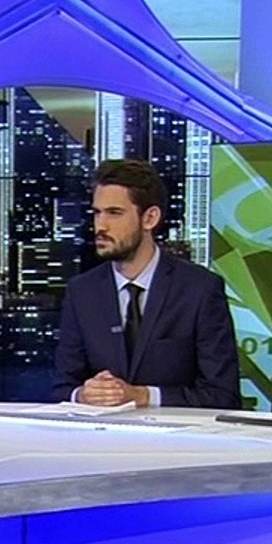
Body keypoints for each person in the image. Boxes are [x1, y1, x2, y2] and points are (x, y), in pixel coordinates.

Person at [51, 159, 238, 409]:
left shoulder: (199, 289)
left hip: (175, 434)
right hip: (101, 433)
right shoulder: (82, 291)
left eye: (114, 213)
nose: (100, 226)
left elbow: (223, 395)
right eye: (97, 213)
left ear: (150, 218)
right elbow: (62, 389)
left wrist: (143, 396)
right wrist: (83, 395)